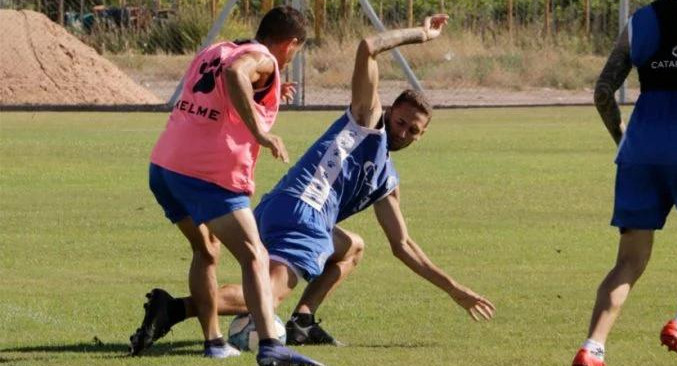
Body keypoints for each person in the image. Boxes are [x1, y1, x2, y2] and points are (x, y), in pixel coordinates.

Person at [132, 13, 495, 353]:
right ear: (388, 111)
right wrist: (422, 34)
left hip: (289, 209)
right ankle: (175, 309)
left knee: (352, 247)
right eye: (399, 121)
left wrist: (454, 290)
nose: (401, 131)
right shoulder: (368, 120)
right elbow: (368, 46)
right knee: (266, 294)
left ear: (421, 136)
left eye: (412, 130)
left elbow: (402, 245)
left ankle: (303, 319)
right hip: (304, 213)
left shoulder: (386, 177)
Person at [129, 6, 323, 366]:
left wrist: (264, 96)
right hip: (207, 175)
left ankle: (214, 341)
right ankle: (270, 347)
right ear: (291, 43)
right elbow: (237, 74)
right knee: (255, 256)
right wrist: (260, 132)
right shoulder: (261, 59)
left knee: (206, 251)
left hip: (165, 167)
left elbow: (221, 88)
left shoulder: (217, 49)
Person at [571, 0, 677, 365]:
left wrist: (623, 139)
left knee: (628, 263)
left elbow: (603, 91)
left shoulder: (640, 21)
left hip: (641, 151)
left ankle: (593, 348)